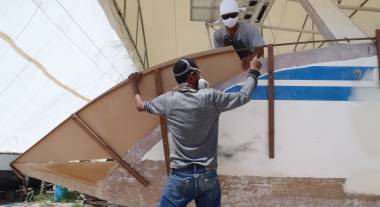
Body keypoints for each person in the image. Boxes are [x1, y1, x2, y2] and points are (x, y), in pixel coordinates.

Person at [129, 57, 262, 207]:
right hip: (208, 177)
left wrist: (134, 84)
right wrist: (254, 71)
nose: (200, 77)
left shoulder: (167, 100)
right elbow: (243, 96)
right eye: (198, 74)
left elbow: (140, 105)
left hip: (180, 178)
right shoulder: (210, 97)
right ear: (191, 75)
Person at [213, 0, 265, 68]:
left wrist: (250, 58)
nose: (230, 19)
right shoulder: (218, 35)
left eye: (232, 15)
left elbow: (260, 49)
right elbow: (219, 56)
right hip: (231, 67)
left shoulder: (249, 29)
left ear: (238, 14)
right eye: (226, 17)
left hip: (251, 65)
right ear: (221, 17)